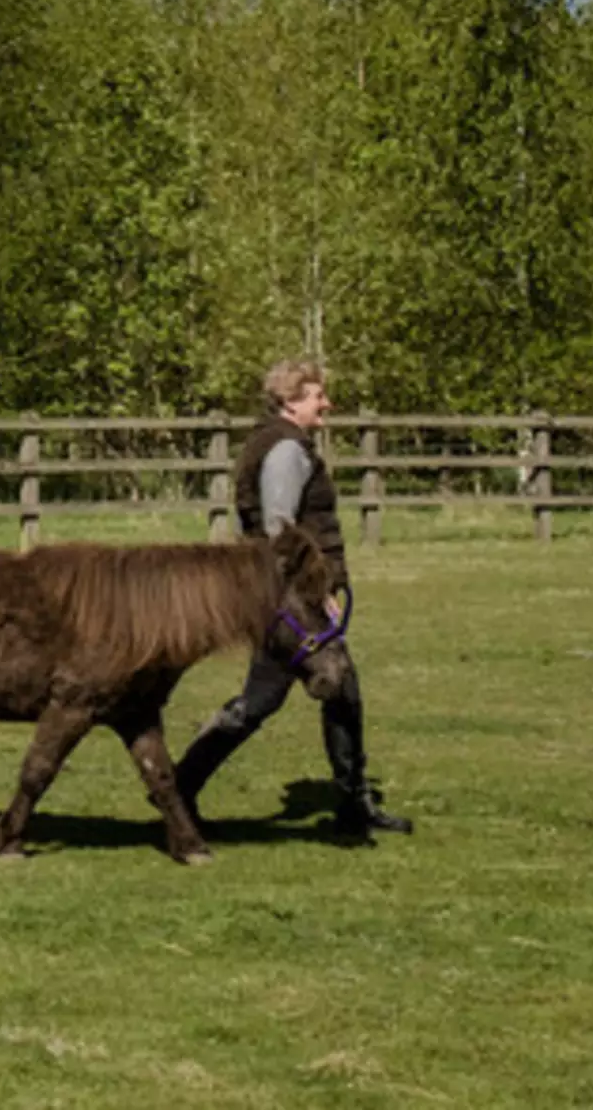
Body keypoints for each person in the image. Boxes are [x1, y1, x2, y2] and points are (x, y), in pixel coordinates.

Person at [170, 357, 414, 837]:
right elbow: (281, 529)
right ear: (290, 399)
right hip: (290, 603)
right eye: (317, 395)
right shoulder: (285, 451)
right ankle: (177, 788)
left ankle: (351, 803)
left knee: (333, 691)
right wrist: (313, 595)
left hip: (286, 598)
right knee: (270, 699)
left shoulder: (283, 443)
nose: (327, 403)